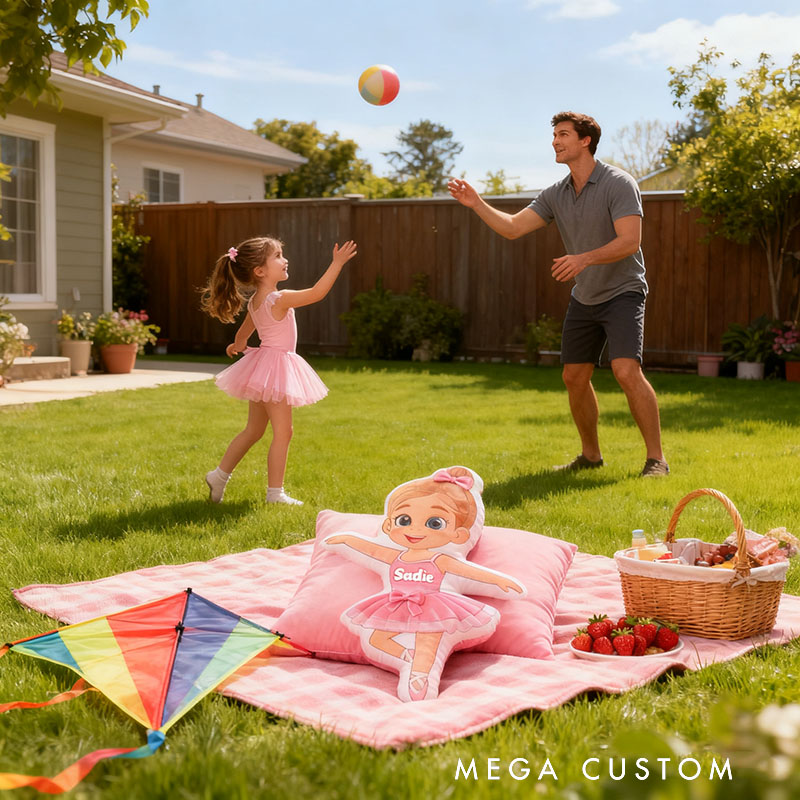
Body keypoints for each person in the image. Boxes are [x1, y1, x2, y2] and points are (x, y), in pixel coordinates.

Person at [448, 111, 669, 477]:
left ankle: (656, 459)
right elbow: (514, 228)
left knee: (626, 370)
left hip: (623, 291)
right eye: (554, 135)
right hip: (586, 297)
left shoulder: (618, 183)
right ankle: (591, 456)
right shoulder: (557, 193)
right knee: (573, 376)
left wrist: (584, 258)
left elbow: (630, 241)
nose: (555, 141)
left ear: (586, 141)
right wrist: (477, 203)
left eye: (563, 134)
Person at [325, 466, 524, 701]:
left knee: (429, 638)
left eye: (435, 523)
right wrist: (347, 539)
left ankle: (419, 675)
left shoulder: (440, 559)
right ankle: (408, 657)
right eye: (404, 520)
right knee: (376, 637)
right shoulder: (393, 556)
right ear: (389, 526)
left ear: (458, 535)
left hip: (435, 606)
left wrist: (499, 581)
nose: (415, 529)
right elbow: (371, 549)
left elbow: (468, 571)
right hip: (396, 604)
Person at [200, 236, 357, 505]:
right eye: (278, 256)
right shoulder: (279, 298)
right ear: (259, 271)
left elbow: (245, 332)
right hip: (276, 369)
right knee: (283, 432)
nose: (285, 260)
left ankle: (219, 475)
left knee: (253, 430)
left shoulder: (256, 301)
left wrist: (237, 345)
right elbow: (317, 293)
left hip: (262, 368)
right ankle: (275, 494)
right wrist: (337, 264)